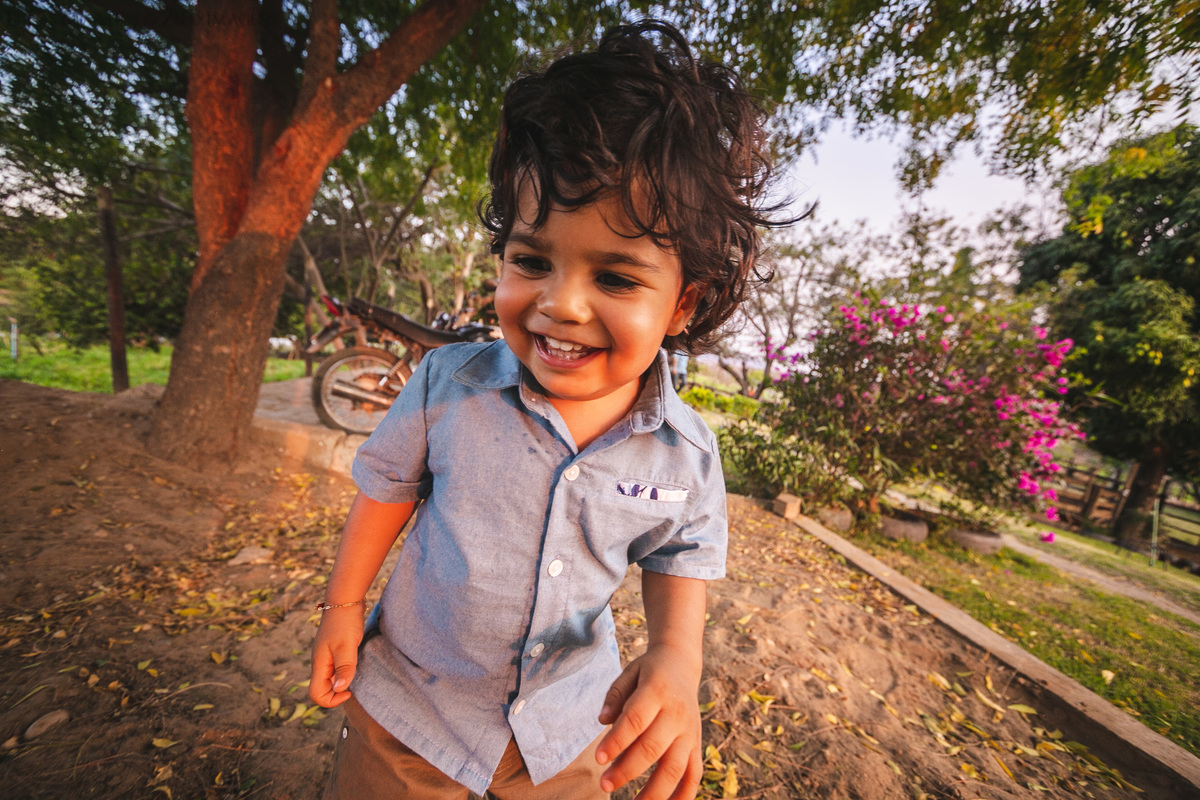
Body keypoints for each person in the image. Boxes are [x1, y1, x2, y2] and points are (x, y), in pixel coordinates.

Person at [309, 19, 784, 800]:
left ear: (681, 303)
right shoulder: (448, 387)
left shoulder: (685, 454)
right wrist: (342, 604)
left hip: (565, 737)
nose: (560, 304)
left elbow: (678, 556)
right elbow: (385, 491)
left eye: (618, 278)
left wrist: (675, 655)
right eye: (533, 260)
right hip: (412, 714)